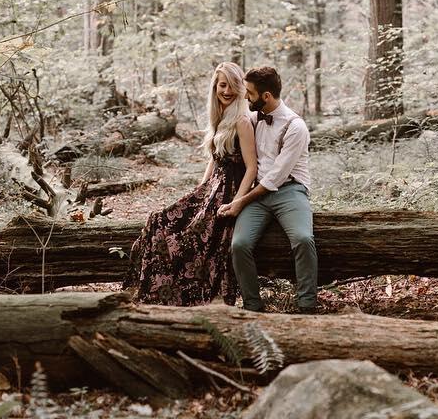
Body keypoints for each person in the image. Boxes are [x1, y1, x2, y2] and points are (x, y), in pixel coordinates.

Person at [122, 62, 259, 305]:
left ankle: (186, 297)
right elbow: (214, 160)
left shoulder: (242, 120)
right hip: (212, 190)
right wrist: (199, 191)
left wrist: (237, 202)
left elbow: (251, 168)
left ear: (240, 88)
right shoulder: (220, 116)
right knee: (159, 220)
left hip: (229, 193)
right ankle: (151, 293)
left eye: (232, 86)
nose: (226, 91)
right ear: (215, 87)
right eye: (222, 85)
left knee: (191, 236)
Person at [220, 66, 318, 313]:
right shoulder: (252, 119)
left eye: (250, 93)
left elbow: (276, 176)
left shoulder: (296, 126)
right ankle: (253, 306)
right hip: (258, 195)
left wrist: (240, 202)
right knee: (239, 245)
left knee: (303, 239)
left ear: (266, 96)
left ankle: (306, 305)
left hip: (290, 190)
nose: (245, 97)